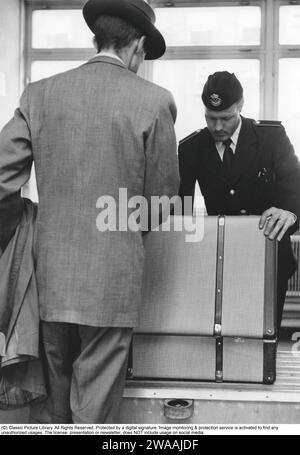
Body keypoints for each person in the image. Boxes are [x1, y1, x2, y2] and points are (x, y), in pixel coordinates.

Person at [0, 0, 179, 423]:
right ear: (136, 45)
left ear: (96, 39)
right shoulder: (154, 102)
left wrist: (23, 224)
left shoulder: (39, 94)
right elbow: (162, 201)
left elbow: (2, 177)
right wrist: (123, 233)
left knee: (53, 403)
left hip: (49, 279)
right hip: (113, 282)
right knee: (94, 409)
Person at [178, 71, 300, 331]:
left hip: (269, 258)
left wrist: (289, 211)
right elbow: (181, 210)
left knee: (265, 343)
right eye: (211, 119)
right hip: (221, 261)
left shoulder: (271, 137)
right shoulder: (191, 148)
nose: (218, 127)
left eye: (226, 118)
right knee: (227, 341)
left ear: (241, 106)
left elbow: (294, 185)